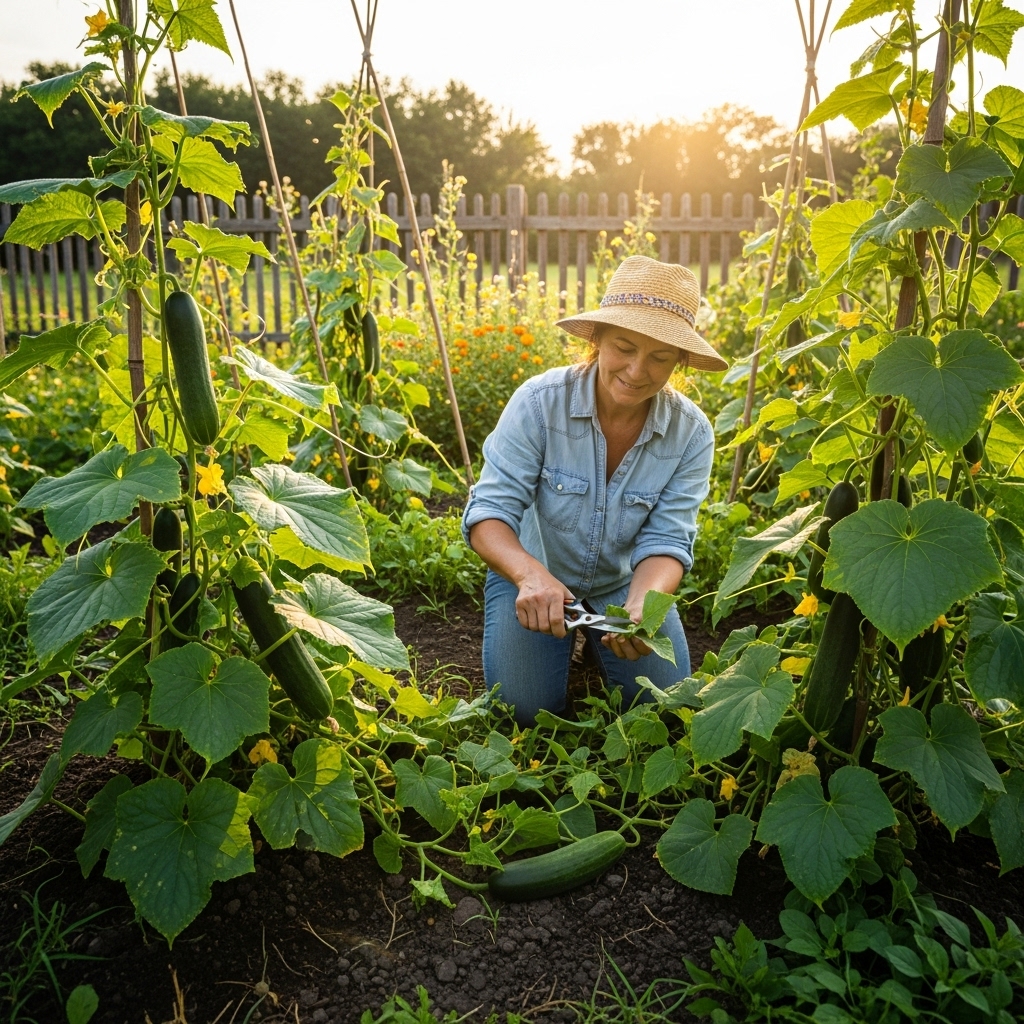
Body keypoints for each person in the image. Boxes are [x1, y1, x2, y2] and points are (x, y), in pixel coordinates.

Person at [462, 255, 728, 725]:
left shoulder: (691, 433)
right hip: (533, 574)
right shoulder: (539, 403)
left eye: (660, 357)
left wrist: (645, 604)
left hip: (624, 583)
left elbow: (668, 541)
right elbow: (488, 516)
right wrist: (528, 577)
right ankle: (561, 644)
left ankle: (591, 647)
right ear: (597, 339)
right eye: (624, 346)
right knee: (525, 710)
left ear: (680, 361)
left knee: (666, 709)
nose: (637, 370)